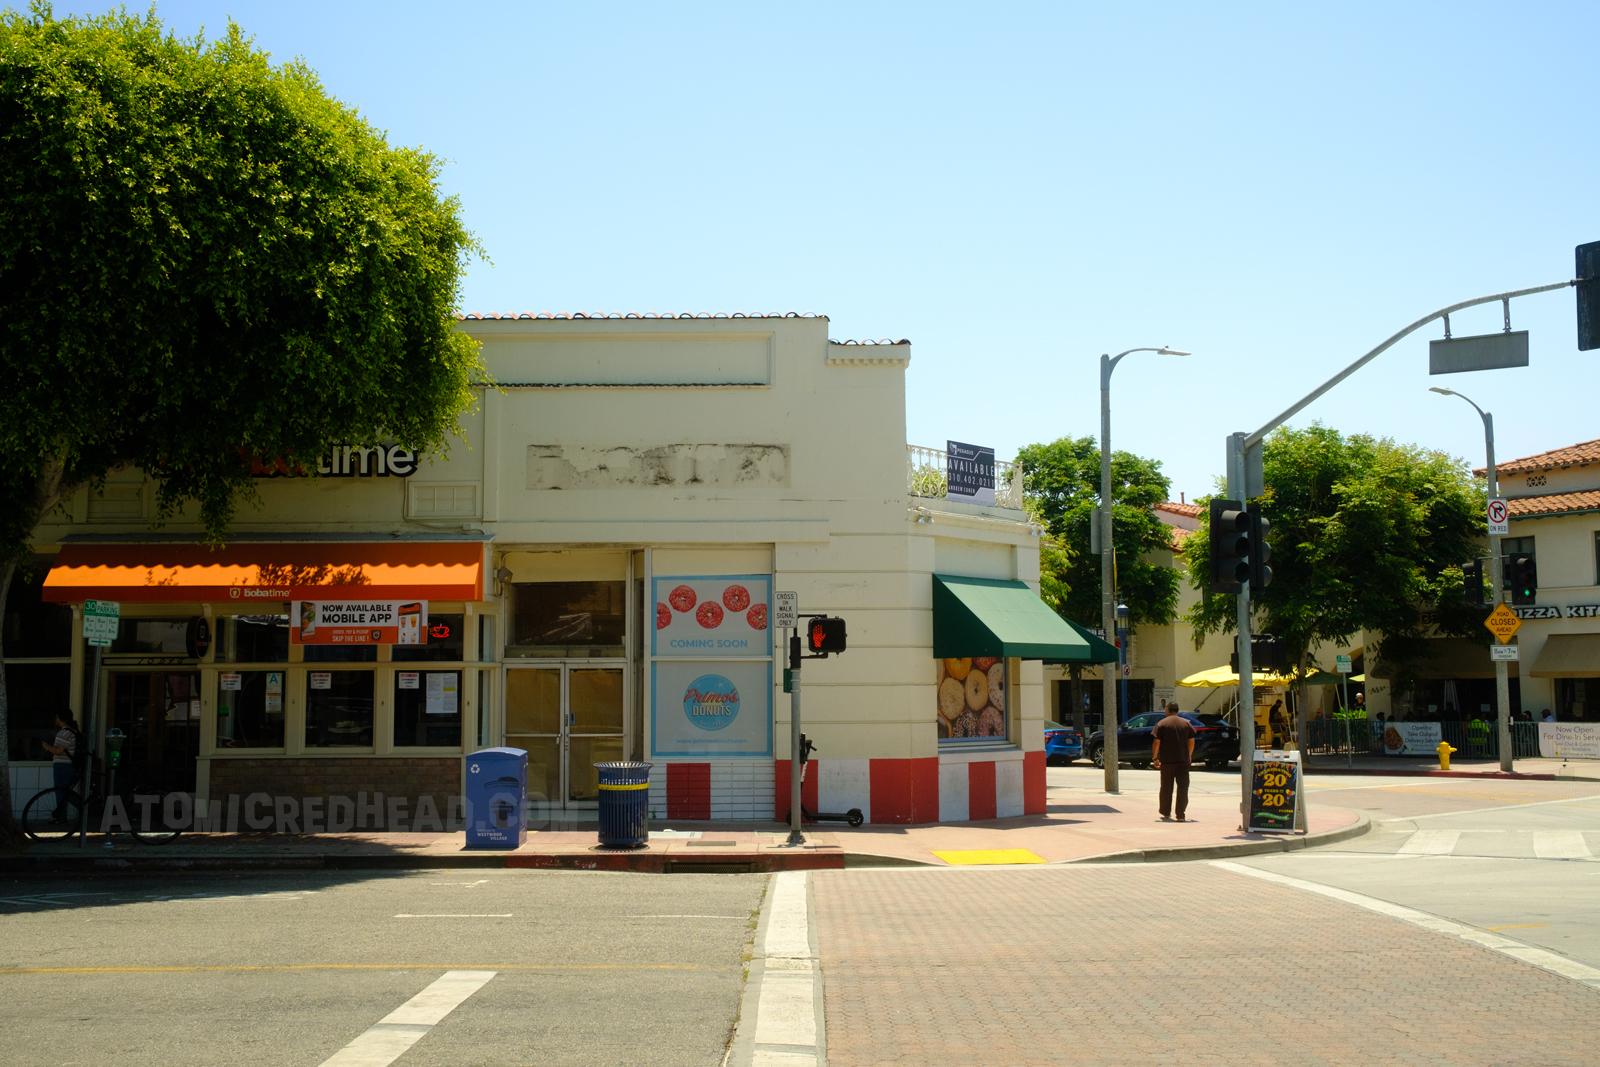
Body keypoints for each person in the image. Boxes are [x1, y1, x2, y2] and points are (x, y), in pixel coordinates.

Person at [1151, 705, 1196, 822]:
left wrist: (1155, 758)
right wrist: (1189, 755)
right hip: (1183, 761)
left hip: (1167, 761)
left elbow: (1156, 742)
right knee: (1183, 787)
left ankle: (1166, 812)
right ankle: (1180, 814)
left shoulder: (1162, 724)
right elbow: (1191, 741)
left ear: (1167, 710)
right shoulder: (1186, 723)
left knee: (1166, 787)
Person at [40, 710, 81, 823]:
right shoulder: (74, 731)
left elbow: (58, 750)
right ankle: (67, 814)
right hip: (71, 766)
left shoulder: (64, 733)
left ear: (60, 719)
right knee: (65, 792)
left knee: (62, 792)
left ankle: (62, 817)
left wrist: (47, 746)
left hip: (62, 766)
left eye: (57, 717)